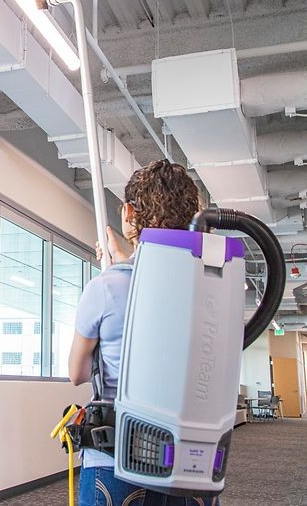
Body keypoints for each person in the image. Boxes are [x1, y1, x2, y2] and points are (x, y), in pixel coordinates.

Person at [69, 159, 219, 506]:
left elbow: (77, 373)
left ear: (129, 213)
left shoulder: (106, 288)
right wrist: (122, 261)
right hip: (190, 461)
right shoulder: (214, 285)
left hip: (118, 458)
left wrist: (116, 272)